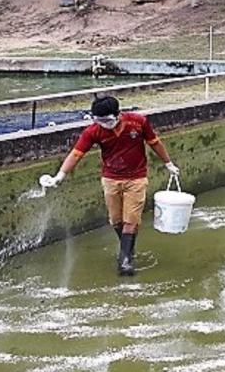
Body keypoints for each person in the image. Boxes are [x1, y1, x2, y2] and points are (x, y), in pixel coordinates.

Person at [40, 96, 179, 276]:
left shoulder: (138, 122)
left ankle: (125, 261)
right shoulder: (94, 131)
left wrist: (168, 164)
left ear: (118, 114)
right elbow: (76, 154)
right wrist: (59, 176)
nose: (104, 124)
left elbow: (155, 143)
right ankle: (127, 250)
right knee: (116, 220)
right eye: (99, 120)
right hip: (111, 179)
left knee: (131, 220)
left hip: (136, 179)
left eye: (107, 120)